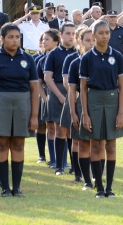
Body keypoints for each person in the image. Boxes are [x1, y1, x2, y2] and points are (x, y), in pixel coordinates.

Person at [0, 23, 39, 197]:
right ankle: (5, 187)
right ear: (2, 39)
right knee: (1, 143)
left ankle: (17, 187)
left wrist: (35, 116)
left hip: (22, 103)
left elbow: (34, 89)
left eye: (17, 37)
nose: (15, 40)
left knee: (18, 144)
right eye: (10, 37)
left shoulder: (28, 59)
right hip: (0, 102)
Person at [79, 20, 123, 198]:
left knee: (111, 144)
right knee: (96, 144)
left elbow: (122, 87)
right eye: (101, 33)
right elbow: (83, 88)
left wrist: (120, 113)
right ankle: (98, 187)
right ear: (94, 35)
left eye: (107, 32)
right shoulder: (87, 58)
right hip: (94, 99)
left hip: (113, 100)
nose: (105, 36)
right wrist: (85, 113)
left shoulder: (118, 56)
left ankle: (109, 187)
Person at [44, 22, 77, 176]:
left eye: (73, 33)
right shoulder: (54, 53)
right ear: (61, 35)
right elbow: (47, 78)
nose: (71, 36)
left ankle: (74, 165)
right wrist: (59, 95)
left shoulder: (78, 52)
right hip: (57, 91)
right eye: (68, 33)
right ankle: (59, 165)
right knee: (59, 129)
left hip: (75, 92)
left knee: (73, 130)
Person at [67, 26, 95, 189]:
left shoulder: (101, 58)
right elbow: (72, 90)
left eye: (93, 40)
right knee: (79, 141)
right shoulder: (75, 63)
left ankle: (95, 174)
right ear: (80, 42)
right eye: (87, 41)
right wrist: (73, 112)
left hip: (98, 103)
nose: (91, 44)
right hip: (80, 103)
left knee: (97, 143)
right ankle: (80, 174)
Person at [37, 29, 60, 167]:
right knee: (48, 127)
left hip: (59, 93)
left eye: (47, 39)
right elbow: (38, 83)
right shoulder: (40, 60)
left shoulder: (62, 56)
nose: (43, 42)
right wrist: (44, 98)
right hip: (47, 95)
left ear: (56, 42)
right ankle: (50, 158)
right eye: (42, 40)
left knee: (62, 129)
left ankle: (61, 159)